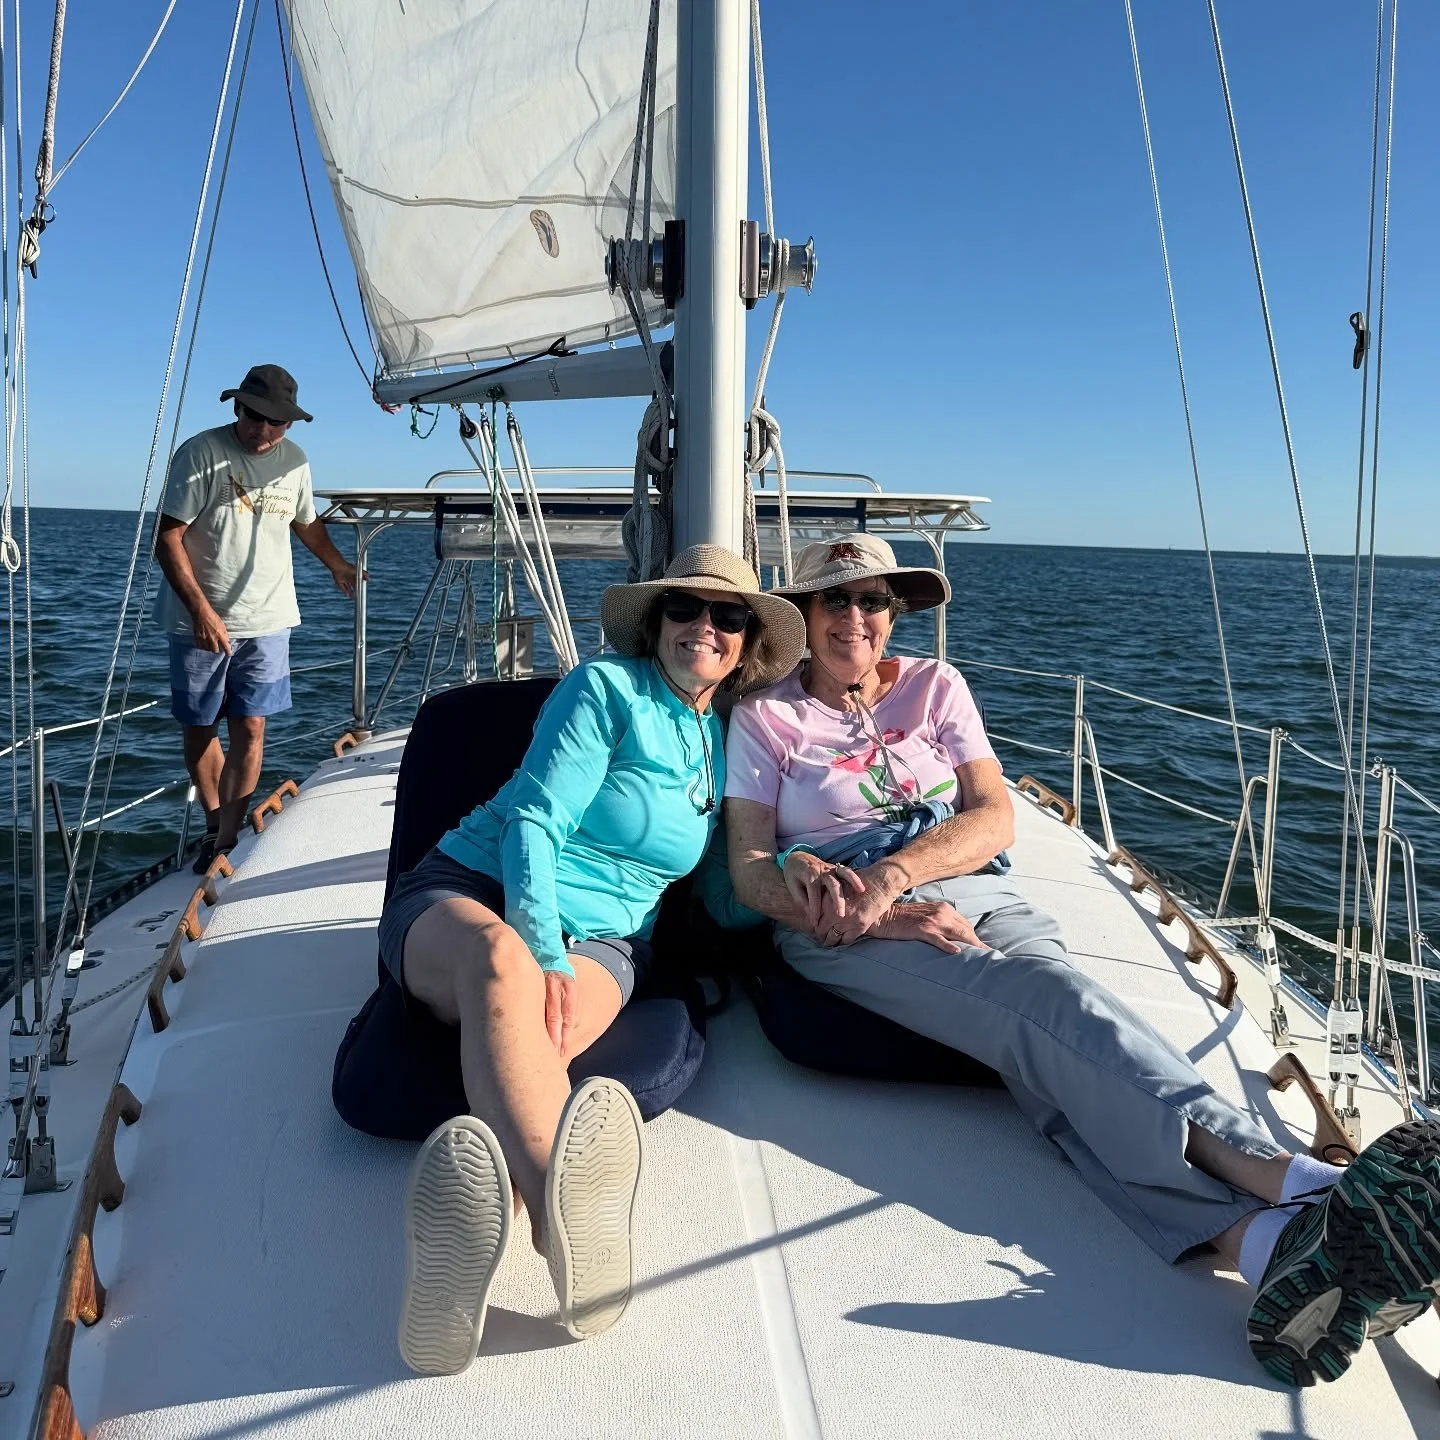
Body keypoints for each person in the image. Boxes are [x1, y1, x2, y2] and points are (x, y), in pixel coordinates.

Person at [724, 532, 1440, 1390]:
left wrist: (903, 872)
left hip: (964, 881)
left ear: (895, 612)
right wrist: (861, 901)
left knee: (1052, 1047)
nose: (856, 618)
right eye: (834, 600)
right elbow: (749, 869)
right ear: (802, 613)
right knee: (1036, 995)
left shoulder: (935, 686)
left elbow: (994, 817)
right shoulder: (767, 714)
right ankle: (1300, 1185)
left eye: (874, 600)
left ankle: (1256, 1247)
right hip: (843, 924)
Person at [380, 545, 804, 1376]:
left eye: (727, 616)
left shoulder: (726, 742)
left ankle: (475, 1233)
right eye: (685, 608)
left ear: (748, 639)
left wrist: (812, 894)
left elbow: (722, 891)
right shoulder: (605, 690)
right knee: (502, 969)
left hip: (612, 941)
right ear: (657, 621)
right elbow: (533, 820)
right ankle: (559, 1232)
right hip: (474, 890)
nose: (703, 627)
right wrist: (541, 949)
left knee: (532, 1050)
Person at [154, 364, 357, 871]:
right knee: (200, 728)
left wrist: (337, 564)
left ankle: (226, 840)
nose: (262, 431)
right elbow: (167, 537)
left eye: (276, 423)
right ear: (237, 407)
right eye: (254, 417)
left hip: (268, 619)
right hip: (199, 620)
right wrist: (201, 610)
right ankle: (212, 823)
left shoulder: (296, 462)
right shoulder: (200, 454)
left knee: (252, 727)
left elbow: (305, 523)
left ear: (290, 425)